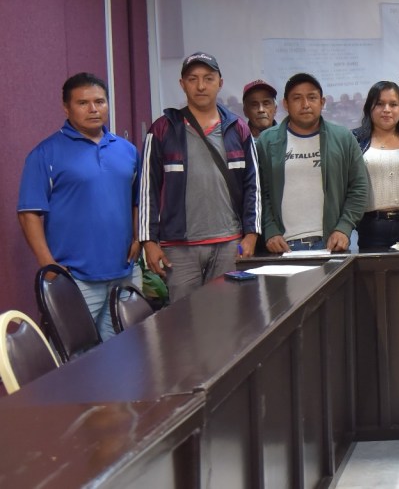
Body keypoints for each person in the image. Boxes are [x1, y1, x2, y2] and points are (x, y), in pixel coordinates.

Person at [17, 73, 140, 341]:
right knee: (76, 357)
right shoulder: (44, 154)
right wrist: (48, 265)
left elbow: (137, 201)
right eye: (83, 103)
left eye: (100, 101)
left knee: (127, 350)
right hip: (74, 278)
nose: (93, 109)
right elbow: (29, 214)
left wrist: (137, 236)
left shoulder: (128, 151)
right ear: (66, 108)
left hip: (125, 272)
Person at [139, 52, 261, 302]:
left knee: (228, 315)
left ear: (220, 83)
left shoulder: (238, 128)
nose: (201, 86)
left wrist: (251, 234)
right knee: (184, 318)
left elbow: (253, 185)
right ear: (182, 84)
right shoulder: (162, 129)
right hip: (178, 248)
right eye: (193, 79)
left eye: (208, 78)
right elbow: (147, 189)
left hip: (229, 244)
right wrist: (148, 241)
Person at [257, 73, 368, 253]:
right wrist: (270, 230)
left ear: (322, 102)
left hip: (331, 245)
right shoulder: (267, 141)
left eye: (312, 97)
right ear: (285, 104)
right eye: (297, 98)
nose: (305, 104)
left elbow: (359, 187)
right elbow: (260, 193)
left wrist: (344, 227)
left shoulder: (343, 138)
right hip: (283, 247)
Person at [353, 81, 399, 249]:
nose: (387, 109)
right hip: (371, 227)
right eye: (380, 104)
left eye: (393, 104)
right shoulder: (355, 139)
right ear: (369, 107)